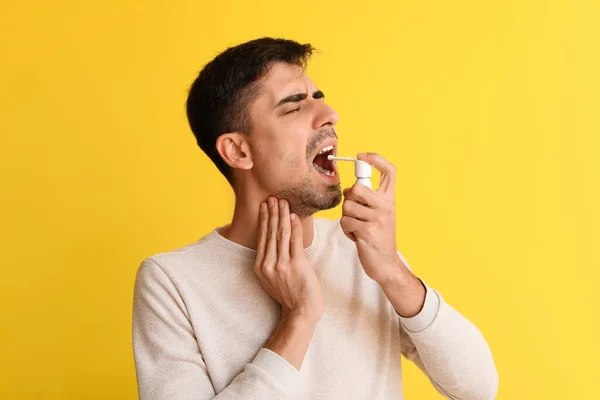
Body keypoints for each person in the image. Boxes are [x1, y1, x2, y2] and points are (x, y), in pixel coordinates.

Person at [132, 37, 499, 400]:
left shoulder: (361, 250)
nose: (330, 115)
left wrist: (391, 269)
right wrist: (299, 317)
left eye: (319, 99)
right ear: (238, 150)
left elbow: (478, 388)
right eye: (294, 106)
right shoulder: (172, 283)